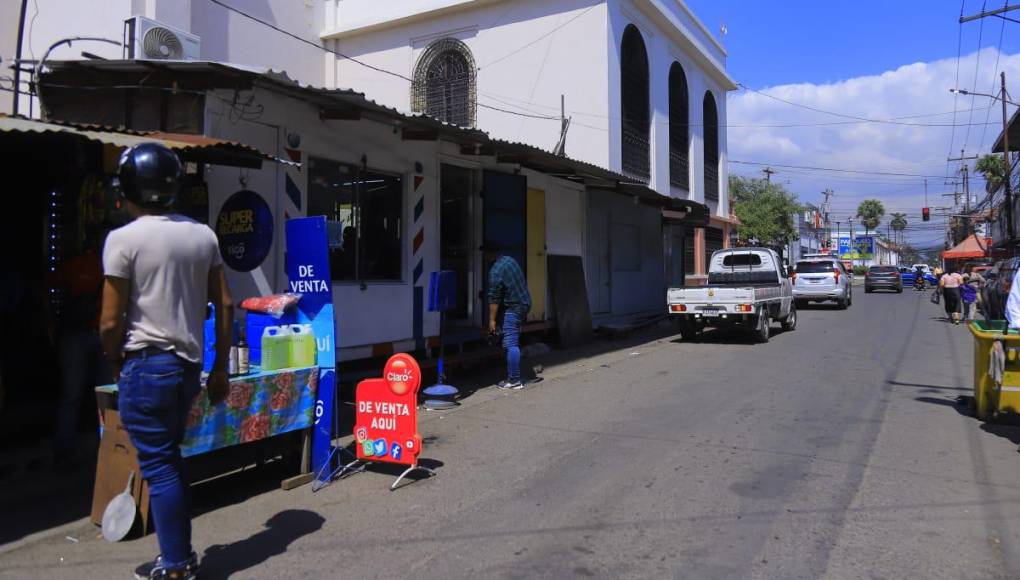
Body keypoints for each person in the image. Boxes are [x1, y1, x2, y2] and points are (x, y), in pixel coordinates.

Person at [99, 143, 233, 580]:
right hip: (188, 369)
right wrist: (221, 367)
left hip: (146, 366)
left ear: (128, 188)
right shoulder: (202, 236)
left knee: (159, 466)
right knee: (169, 463)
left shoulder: (123, 240)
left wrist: (113, 357)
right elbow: (225, 305)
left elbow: (109, 320)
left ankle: (176, 566)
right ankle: (178, 557)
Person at [483, 244, 532, 389]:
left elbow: (494, 298)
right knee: (511, 338)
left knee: (511, 343)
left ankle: (514, 379)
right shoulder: (510, 260)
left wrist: (491, 320)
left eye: (484, 254)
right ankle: (514, 375)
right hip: (524, 303)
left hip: (514, 307)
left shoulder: (495, 271)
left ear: (489, 254)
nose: (483, 258)